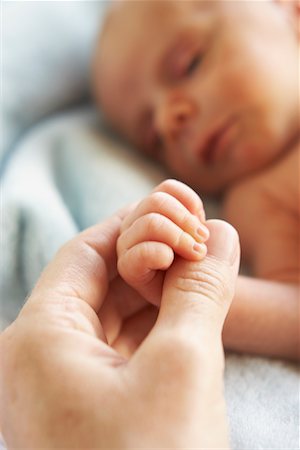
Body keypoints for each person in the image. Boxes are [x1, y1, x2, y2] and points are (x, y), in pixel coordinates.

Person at [93, 0, 300, 360]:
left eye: (188, 64)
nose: (169, 118)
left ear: (291, 11)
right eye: (153, 138)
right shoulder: (260, 201)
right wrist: (179, 290)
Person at [0, 193, 240, 448]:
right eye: (158, 150)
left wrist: (187, 286)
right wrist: (180, 285)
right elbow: (289, 320)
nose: (181, 149)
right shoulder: (253, 204)